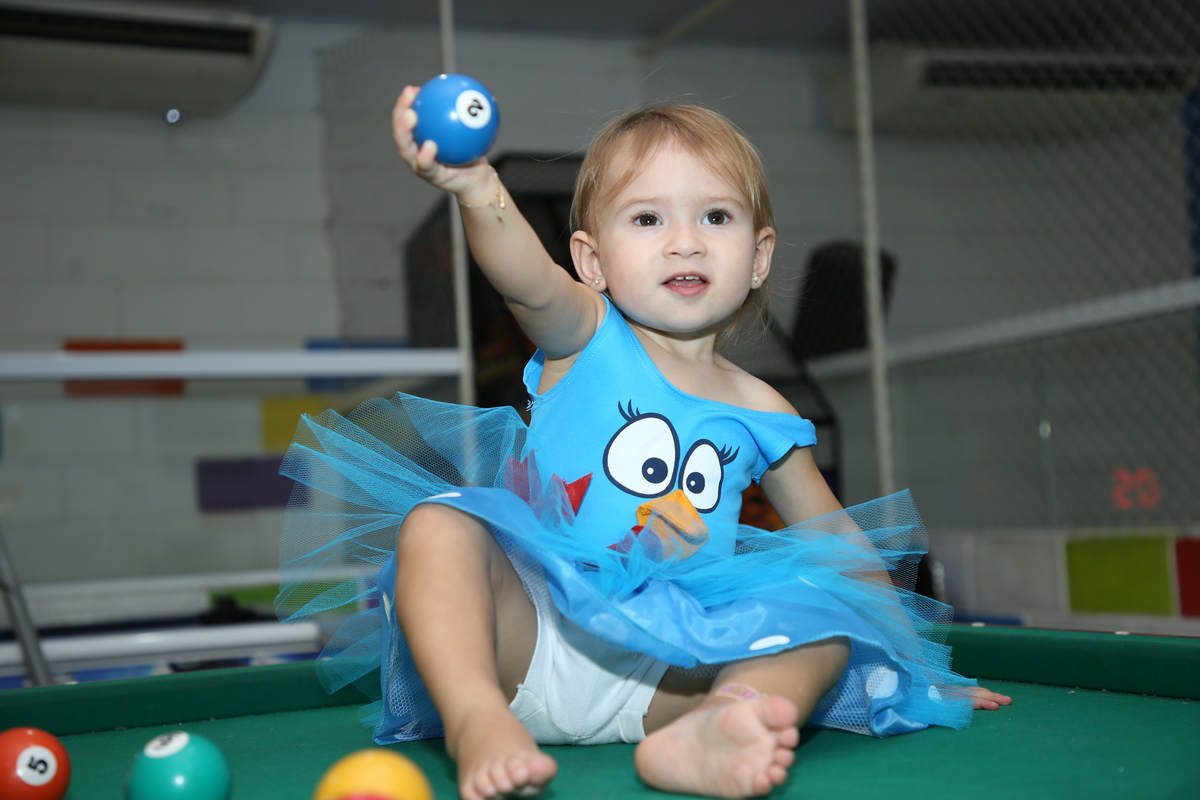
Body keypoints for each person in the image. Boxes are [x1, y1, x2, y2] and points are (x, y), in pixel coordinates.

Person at [277, 88, 1011, 800]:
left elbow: (838, 543)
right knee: (440, 522)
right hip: (529, 638)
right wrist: (475, 188)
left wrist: (921, 669)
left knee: (821, 616)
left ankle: (720, 726)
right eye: (648, 218)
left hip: (675, 674)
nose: (685, 241)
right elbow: (526, 280)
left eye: (715, 216)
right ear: (592, 262)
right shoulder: (586, 337)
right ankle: (476, 719)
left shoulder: (765, 410)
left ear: (758, 257)